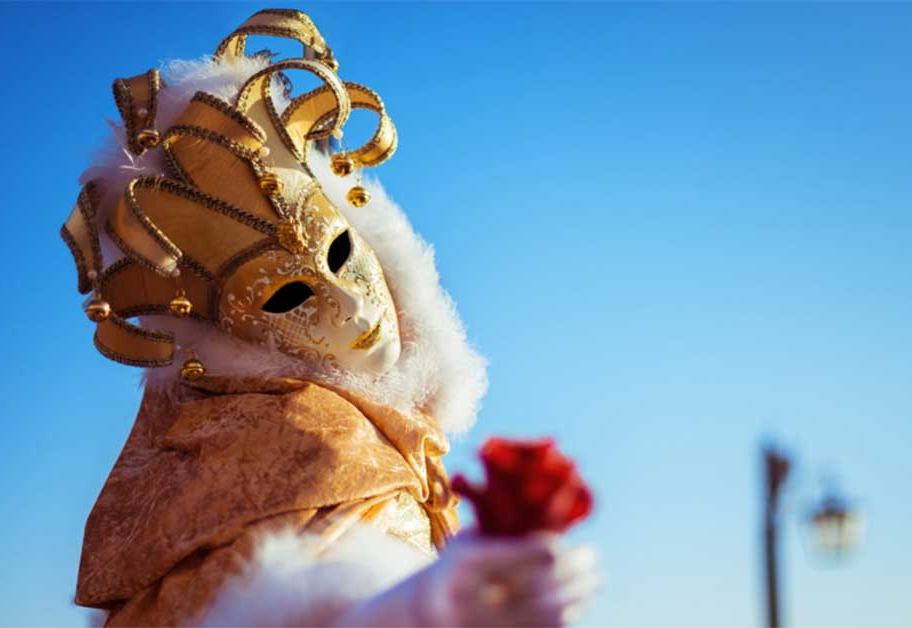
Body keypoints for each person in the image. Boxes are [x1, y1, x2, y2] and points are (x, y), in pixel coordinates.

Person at [60, 9, 598, 626]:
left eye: (342, 254)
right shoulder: (294, 444)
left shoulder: (378, 432)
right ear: (230, 331)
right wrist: (421, 607)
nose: (350, 306)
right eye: (286, 295)